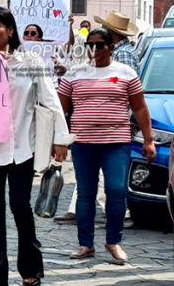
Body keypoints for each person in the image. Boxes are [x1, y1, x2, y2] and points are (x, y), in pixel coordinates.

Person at [0, 7, 71, 286]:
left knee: (19, 205)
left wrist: (61, 139)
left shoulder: (30, 62)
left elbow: (50, 100)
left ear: (10, 30)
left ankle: (30, 265)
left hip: (22, 148)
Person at [57, 28, 154, 265]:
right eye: (90, 45)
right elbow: (60, 110)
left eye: (100, 45)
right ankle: (85, 244)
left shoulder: (125, 73)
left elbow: (140, 108)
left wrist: (149, 140)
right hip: (83, 143)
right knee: (85, 193)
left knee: (117, 190)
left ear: (111, 48)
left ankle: (113, 241)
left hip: (116, 143)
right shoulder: (74, 73)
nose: (95, 50)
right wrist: (58, 140)